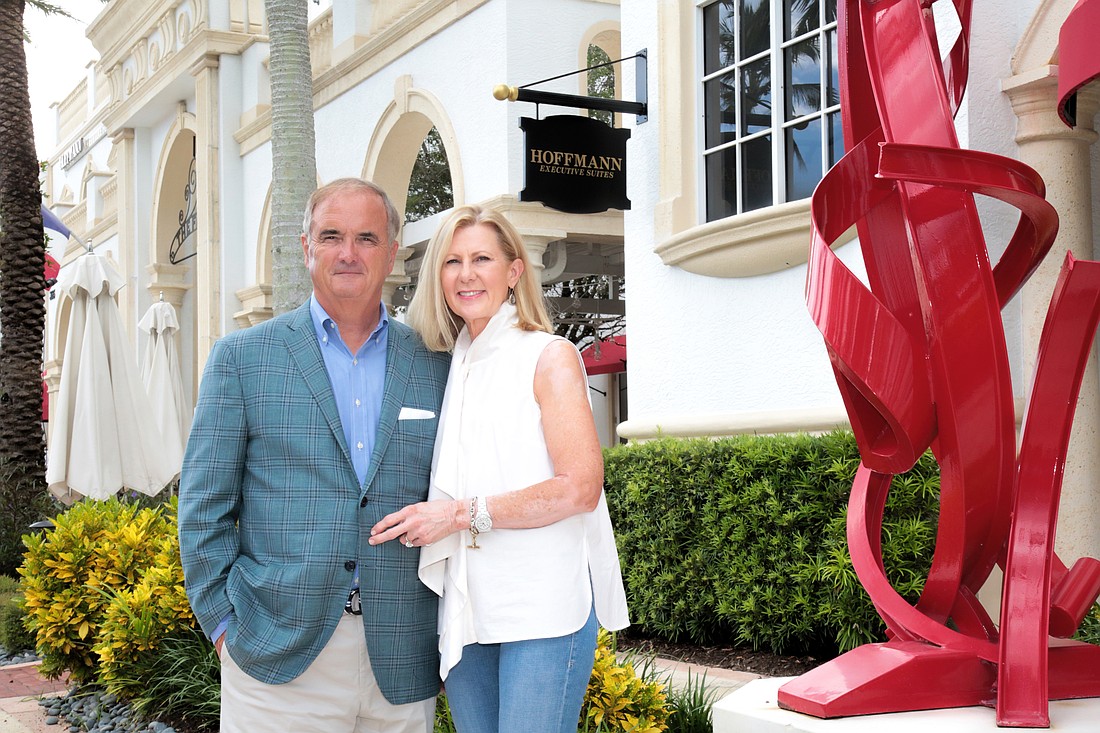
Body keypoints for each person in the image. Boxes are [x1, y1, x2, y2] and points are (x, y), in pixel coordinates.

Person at [178, 178, 450, 733]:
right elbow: (204, 504)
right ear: (306, 248)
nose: (348, 253)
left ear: (392, 253)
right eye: (331, 236)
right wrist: (223, 624)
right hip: (276, 659)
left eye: (367, 238)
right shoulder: (241, 359)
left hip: (402, 657)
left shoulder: (436, 364)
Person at [368, 204, 629, 733]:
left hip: (542, 608)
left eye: (482, 258)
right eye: (452, 261)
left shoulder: (548, 356)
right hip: (468, 610)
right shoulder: (452, 363)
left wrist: (461, 514)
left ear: (513, 272)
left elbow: (580, 488)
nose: (466, 274)